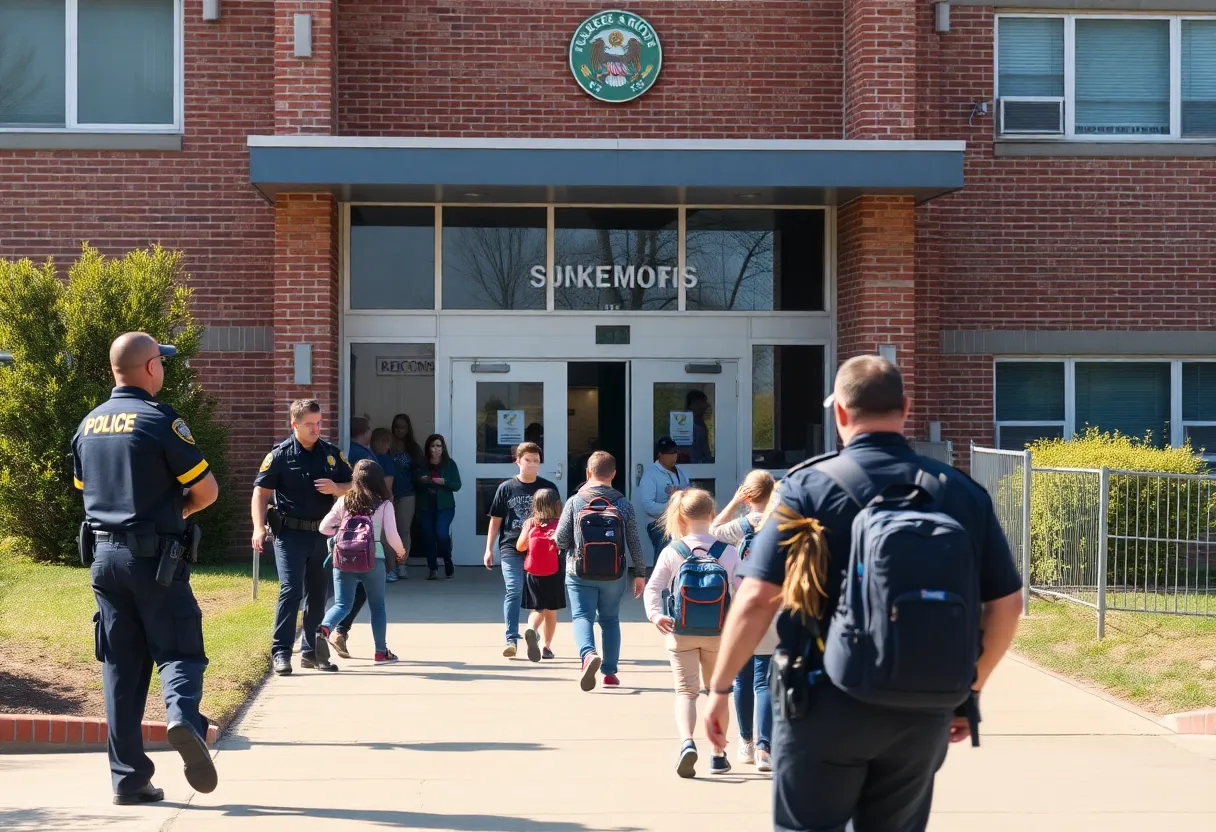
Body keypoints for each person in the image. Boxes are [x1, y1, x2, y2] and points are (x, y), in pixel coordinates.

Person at [704, 354, 1024, 832]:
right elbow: (1008, 605)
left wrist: (720, 688)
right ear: (906, 408)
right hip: (921, 708)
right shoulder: (961, 492)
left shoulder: (807, 488)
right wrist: (969, 690)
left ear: (840, 412)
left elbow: (755, 598)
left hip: (822, 701)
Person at [73, 332, 219, 804]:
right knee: (179, 650)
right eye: (163, 362)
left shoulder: (88, 424)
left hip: (103, 560)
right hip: (155, 560)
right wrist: (178, 510)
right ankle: (183, 719)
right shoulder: (160, 420)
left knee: (121, 668)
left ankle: (129, 780)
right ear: (152, 367)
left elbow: (86, 489)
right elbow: (207, 490)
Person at [645, 488, 742, 778]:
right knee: (717, 692)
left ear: (680, 517)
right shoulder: (727, 551)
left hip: (680, 631)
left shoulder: (672, 551)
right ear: (712, 514)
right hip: (718, 633)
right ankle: (718, 754)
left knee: (686, 692)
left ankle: (687, 742)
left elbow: (653, 588)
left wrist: (656, 615)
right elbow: (743, 590)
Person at [252, 399, 352, 676]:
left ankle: (312, 653)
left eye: (319, 423)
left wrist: (337, 488)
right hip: (290, 534)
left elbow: (354, 483)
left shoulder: (331, 454)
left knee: (319, 594)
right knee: (291, 590)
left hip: (322, 534)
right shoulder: (280, 455)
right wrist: (258, 527)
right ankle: (281, 653)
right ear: (294, 424)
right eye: (309, 424)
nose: (316, 429)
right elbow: (260, 493)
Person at [555, 451, 646, 692]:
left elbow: (561, 539)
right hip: (614, 573)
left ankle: (587, 654)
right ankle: (609, 673)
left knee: (582, 616)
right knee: (610, 620)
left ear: (588, 472)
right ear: (613, 474)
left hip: (579, 571)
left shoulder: (575, 501)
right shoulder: (623, 503)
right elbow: (634, 541)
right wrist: (640, 573)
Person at [710, 469, 778, 772]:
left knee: (742, 679)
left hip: (741, 606)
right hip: (773, 605)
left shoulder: (742, 525)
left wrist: (735, 502)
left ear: (747, 494)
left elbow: (714, 529)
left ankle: (746, 742)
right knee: (765, 680)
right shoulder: (780, 523)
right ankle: (765, 748)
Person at [316, 459, 405, 665]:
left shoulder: (344, 501)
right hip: (373, 559)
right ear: (378, 479)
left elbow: (323, 527)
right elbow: (392, 536)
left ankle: (323, 630)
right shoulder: (384, 504)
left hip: (344, 559)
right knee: (377, 607)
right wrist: (401, 553)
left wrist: (339, 533)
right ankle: (381, 652)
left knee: (342, 604)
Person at [484, 442, 558, 657]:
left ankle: (535, 635)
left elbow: (557, 519)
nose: (532, 464)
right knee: (514, 588)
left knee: (541, 595)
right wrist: (489, 548)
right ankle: (511, 638)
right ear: (517, 461)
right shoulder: (506, 488)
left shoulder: (548, 488)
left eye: (536, 460)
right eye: (528, 460)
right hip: (511, 546)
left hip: (540, 548)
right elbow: (496, 520)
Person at [514, 487, 566, 662]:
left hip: (533, 573)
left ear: (535, 505)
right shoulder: (560, 523)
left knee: (538, 608)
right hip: (554, 573)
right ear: (557, 505)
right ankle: (546, 647)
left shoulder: (530, 523)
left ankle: (531, 628)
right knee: (551, 611)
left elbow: (520, 547)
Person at [638, 435, 690, 567]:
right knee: (666, 546)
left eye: (674, 452)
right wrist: (673, 505)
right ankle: (660, 578)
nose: (673, 456)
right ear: (660, 455)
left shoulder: (680, 472)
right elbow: (649, 506)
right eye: (668, 453)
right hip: (659, 523)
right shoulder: (651, 475)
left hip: (681, 518)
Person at [417, 433, 461, 580]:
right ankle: (432, 568)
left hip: (445, 506)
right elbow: (415, 482)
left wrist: (444, 482)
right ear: (428, 448)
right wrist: (422, 480)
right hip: (426, 506)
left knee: (442, 533)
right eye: (432, 446)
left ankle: (447, 560)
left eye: (438, 446)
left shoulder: (450, 464)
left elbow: (457, 485)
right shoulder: (422, 464)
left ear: (443, 448)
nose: (435, 449)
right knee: (428, 536)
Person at [390, 413, 422, 580]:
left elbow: (420, 470)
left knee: (403, 529)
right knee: (389, 530)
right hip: (388, 493)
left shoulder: (413, 448)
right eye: (396, 427)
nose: (399, 430)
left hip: (407, 493)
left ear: (408, 428)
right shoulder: (388, 445)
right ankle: (390, 565)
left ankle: (402, 564)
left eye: (402, 427)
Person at [370, 427, 401, 581]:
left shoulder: (377, 458)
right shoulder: (382, 459)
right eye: (386, 441)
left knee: (382, 537)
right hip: (380, 502)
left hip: (378, 502)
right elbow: (388, 486)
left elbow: (387, 485)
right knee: (383, 537)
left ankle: (391, 569)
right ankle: (390, 569)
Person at [685, 390, 713, 464]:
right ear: (695, 402)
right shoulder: (686, 421)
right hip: (693, 463)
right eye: (704, 402)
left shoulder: (699, 420)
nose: (706, 405)